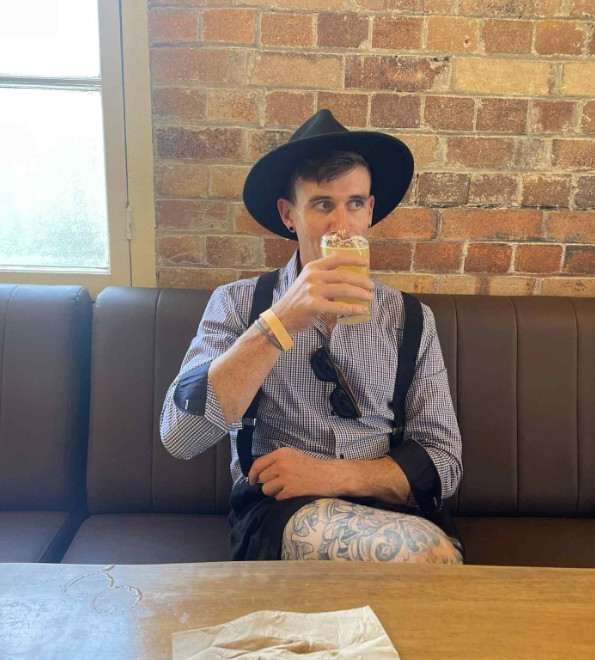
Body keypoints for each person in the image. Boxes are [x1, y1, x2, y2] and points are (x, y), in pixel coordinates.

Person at [160, 109, 463, 564]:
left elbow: (445, 463)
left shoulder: (412, 318)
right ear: (289, 215)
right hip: (278, 512)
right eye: (323, 205)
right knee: (426, 557)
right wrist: (279, 322)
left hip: (394, 509)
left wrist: (331, 475)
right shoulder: (238, 303)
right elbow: (180, 437)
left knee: (425, 555)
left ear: (370, 211)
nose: (341, 225)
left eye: (354, 204)